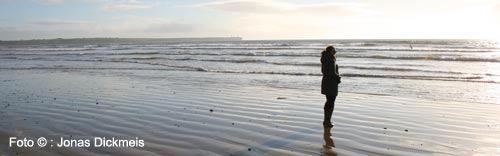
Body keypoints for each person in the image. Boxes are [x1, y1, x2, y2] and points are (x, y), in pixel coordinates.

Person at [321, 45, 341, 128]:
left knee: (328, 101)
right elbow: (333, 73)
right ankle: (327, 121)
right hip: (331, 83)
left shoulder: (324, 58)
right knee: (331, 102)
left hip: (325, 81)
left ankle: (326, 120)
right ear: (331, 51)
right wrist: (338, 78)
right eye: (334, 50)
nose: (335, 51)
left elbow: (324, 71)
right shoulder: (331, 59)